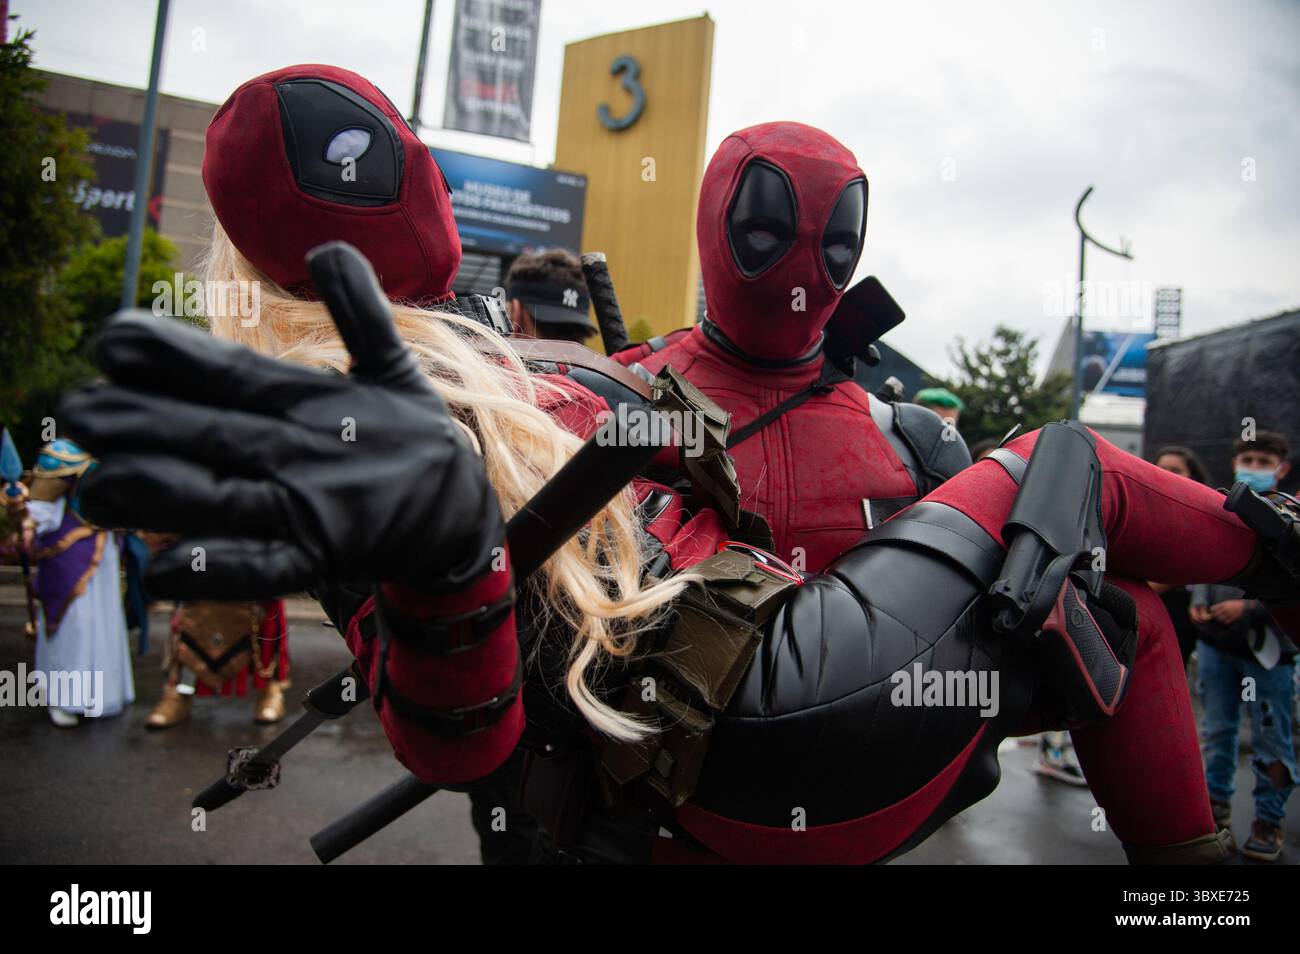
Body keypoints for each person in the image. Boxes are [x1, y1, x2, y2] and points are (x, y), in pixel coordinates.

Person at [60, 235, 1300, 864]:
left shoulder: (862, 419)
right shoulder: (561, 405)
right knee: (1066, 474)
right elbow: (470, 694)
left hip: (719, 746)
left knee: (1120, 615)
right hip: (728, 739)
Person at [610, 122, 970, 575]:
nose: (801, 268)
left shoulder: (920, 450)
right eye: (766, 232)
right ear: (717, 219)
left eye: (836, 243)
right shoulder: (609, 408)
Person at [1191, 429, 1296, 861]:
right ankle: (1215, 814)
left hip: (1270, 652)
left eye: (1262, 460)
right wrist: (1199, 601)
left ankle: (1268, 823)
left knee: (1272, 740)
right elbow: (1201, 559)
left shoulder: (1290, 516)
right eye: (1246, 459)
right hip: (1217, 647)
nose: (1252, 468)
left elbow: (1293, 580)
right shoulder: (1223, 506)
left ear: (1281, 468)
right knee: (1218, 733)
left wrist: (1248, 608)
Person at [10, 440, 134, 726]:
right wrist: (27, 523)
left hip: (105, 552)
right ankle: (64, 698)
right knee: (74, 625)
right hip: (69, 553)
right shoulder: (62, 453)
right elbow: (41, 506)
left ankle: (102, 693)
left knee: (104, 623)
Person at [1149, 445, 1211, 664]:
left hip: (1176, 610)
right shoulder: (1145, 506)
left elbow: (1186, 564)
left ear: (1191, 475)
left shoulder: (1199, 513)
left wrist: (1145, 591)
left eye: (1175, 470)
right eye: (1161, 468)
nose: (1166, 473)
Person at [504, 250, 597, 343]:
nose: (565, 346)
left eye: (572, 334)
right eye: (549, 331)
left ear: (516, 313)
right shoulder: (601, 357)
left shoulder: (492, 354)